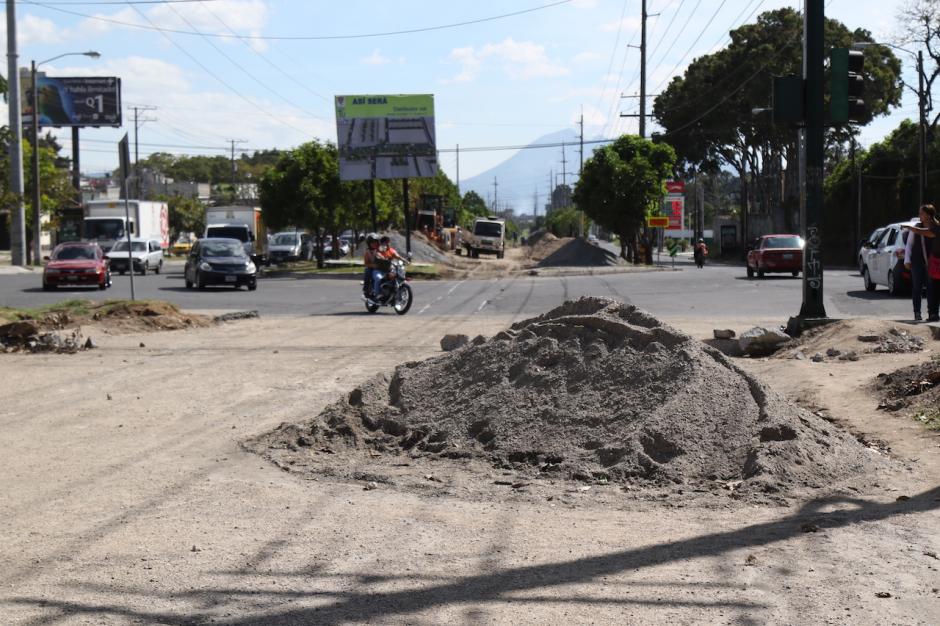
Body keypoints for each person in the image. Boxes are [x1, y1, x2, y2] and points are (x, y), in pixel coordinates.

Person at [903, 204, 940, 322]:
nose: (919, 215)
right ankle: (917, 313)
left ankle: (932, 313)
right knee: (917, 288)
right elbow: (909, 244)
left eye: (921, 213)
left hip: (933, 263)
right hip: (917, 262)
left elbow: (928, 233)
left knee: (932, 288)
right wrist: (907, 260)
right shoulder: (917, 227)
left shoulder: (936, 227)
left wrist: (911, 228)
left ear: (929, 215)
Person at [361, 233, 381, 301]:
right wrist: (373, 265)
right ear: (369, 243)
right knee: (368, 271)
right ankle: (366, 290)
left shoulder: (381, 249)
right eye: (372, 242)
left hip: (382, 268)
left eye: (376, 242)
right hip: (372, 268)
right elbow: (366, 263)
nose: (374, 244)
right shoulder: (368, 252)